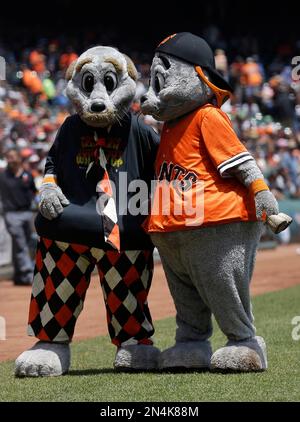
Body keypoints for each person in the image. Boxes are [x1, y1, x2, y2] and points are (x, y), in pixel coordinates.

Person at [0, 148, 36, 285]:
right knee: (21, 244)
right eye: (9, 157)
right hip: (11, 214)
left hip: (27, 212)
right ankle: (28, 274)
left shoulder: (27, 174)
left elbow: (34, 191)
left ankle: (18, 276)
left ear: (19, 159)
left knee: (26, 243)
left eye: (13, 157)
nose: (11, 160)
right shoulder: (3, 177)